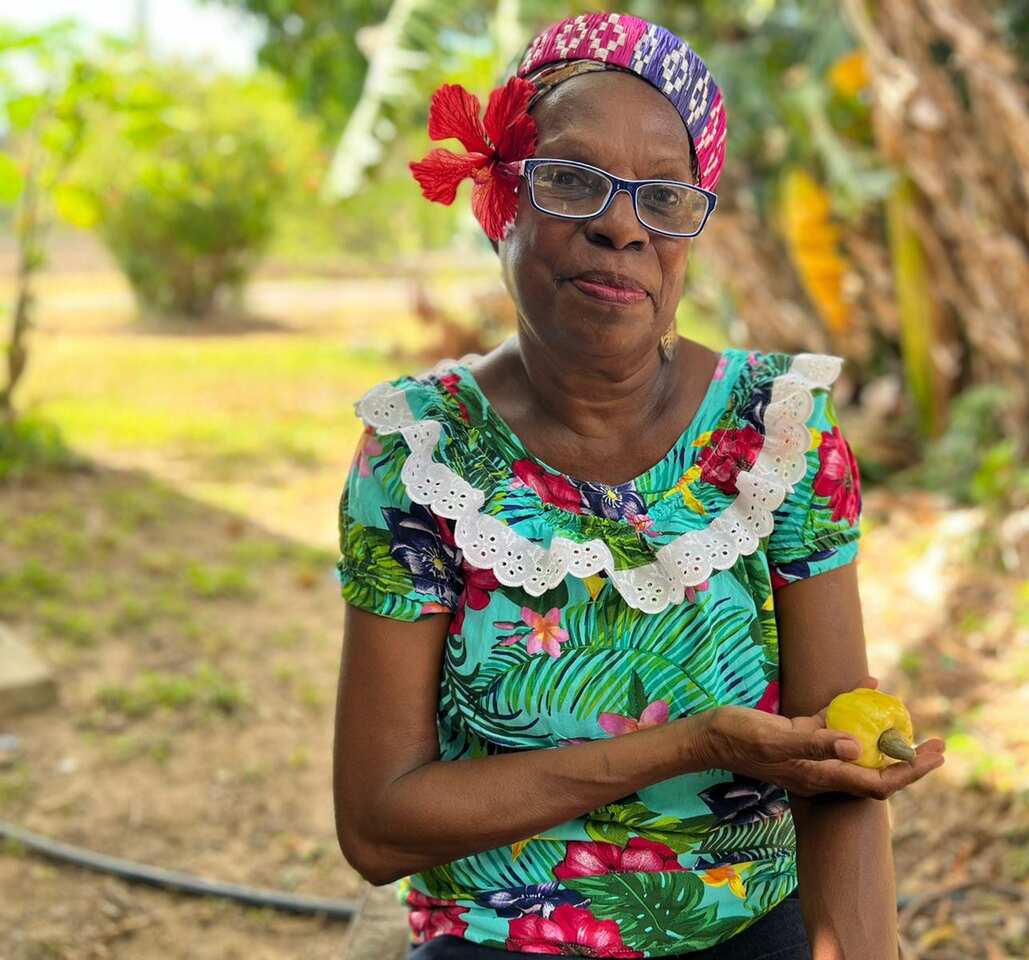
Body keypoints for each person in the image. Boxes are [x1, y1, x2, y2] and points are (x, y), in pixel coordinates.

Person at [332, 12, 945, 960]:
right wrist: (691, 745)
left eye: (664, 198)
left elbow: (837, 766)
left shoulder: (774, 431)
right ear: (503, 198)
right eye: (573, 181)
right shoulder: (422, 455)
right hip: (504, 937)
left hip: (746, 925)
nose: (621, 227)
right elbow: (379, 825)